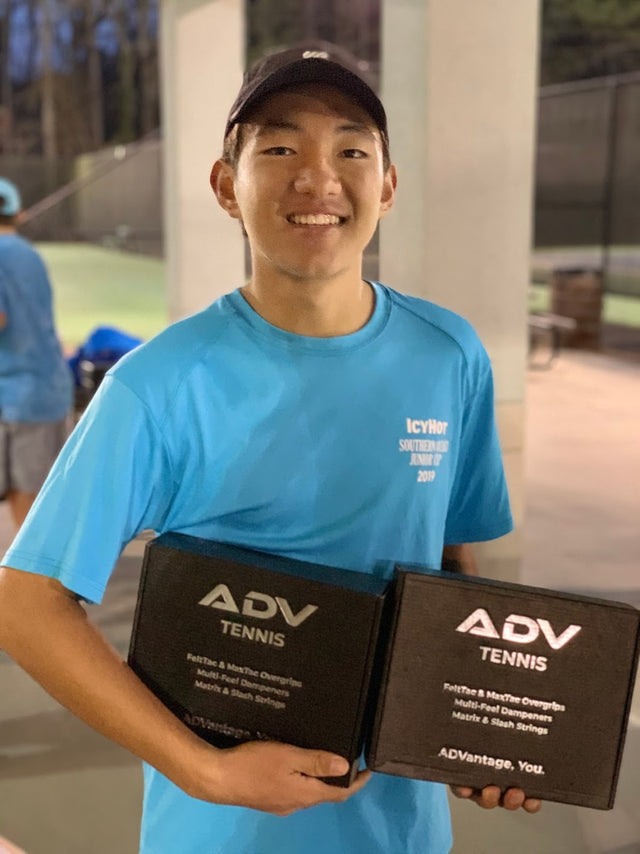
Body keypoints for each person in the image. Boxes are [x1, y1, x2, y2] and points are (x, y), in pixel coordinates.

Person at [0, 43, 540, 854]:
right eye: (281, 148)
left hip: (399, 832)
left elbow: (450, 563)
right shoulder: (159, 383)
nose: (318, 178)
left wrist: (474, 727)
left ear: (388, 185)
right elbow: (25, 604)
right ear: (227, 185)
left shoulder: (449, 354)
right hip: (219, 835)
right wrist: (205, 772)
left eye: (351, 150)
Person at [0, 178, 73, 528]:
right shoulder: (29, 255)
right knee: (42, 499)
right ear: (19, 213)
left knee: (26, 501)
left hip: (19, 398)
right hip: (48, 391)